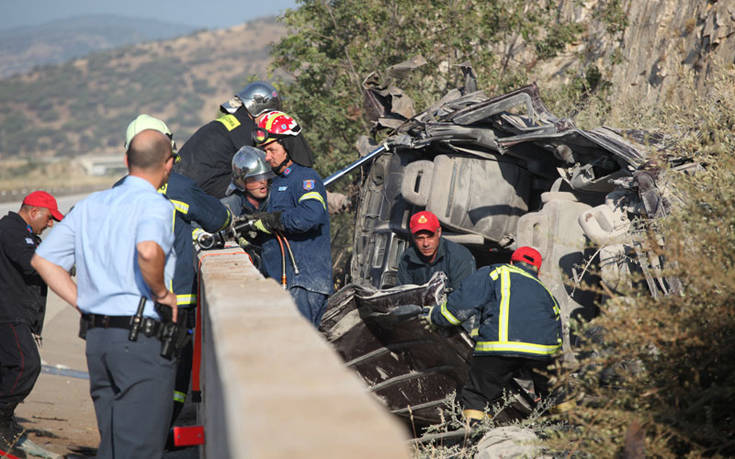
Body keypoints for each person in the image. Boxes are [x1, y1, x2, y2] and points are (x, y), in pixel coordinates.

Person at [32, 129, 179, 458]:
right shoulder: (154, 205)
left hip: (98, 339)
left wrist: (82, 301)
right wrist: (161, 293)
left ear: (126, 160)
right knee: (138, 446)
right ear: (168, 165)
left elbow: (44, 259)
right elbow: (147, 250)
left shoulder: (91, 205)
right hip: (141, 338)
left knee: (112, 443)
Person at [122, 114, 232, 427]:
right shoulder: (179, 187)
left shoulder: (117, 191)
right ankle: (161, 426)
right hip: (176, 296)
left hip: (129, 299)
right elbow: (219, 218)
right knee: (174, 365)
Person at [423, 246, 562, 425]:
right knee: (557, 395)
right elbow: (557, 334)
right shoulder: (546, 292)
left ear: (511, 262)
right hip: (544, 354)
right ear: (538, 271)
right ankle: (568, 432)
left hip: (499, 349)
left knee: (477, 395)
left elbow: (461, 307)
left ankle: (473, 436)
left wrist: (434, 316)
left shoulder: (497, 272)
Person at [249, 110, 332, 326]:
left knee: (299, 352)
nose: (267, 157)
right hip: (285, 283)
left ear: (289, 146)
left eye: (271, 150)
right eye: (264, 151)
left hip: (303, 283)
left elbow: (310, 215)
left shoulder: (306, 178)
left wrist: (271, 220)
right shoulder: (278, 183)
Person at [0, 191, 63, 453]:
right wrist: (65, 263)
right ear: (34, 212)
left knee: (10, 369)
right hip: (7, 314)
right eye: (49, 219)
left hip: (16, 313)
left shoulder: (21, 232)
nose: (50, 224)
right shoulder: (12, 230)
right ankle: (1, 421)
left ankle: (6, 423)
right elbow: (32, 264)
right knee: (27, 365)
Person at [175, 81, 282, 198]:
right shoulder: (247, 130)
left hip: (180, 183)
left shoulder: (231, 122)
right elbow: (256, 166)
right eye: (269, 113)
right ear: (258, 109)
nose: (270, 119)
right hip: (200, 188)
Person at [397, 210, 476, 291]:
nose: (426, 244)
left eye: (430, 237)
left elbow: (464, 297)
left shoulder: (459, 256)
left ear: (439, 232)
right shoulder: (407, 258)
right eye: (420, 238)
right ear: (413, 237)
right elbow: (403, 294)